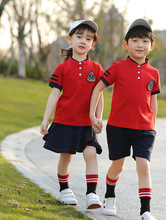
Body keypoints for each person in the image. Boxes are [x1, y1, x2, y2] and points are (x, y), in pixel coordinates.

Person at [90, 18, 160, 220]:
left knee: (144, 165)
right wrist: (93, 115)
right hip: (118, 127)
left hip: (144, 129)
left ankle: (145, 210)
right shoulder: (117, 67)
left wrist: (152, 126)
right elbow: (98, 88)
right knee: (118, 166)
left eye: (145, 41)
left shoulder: (154, 73)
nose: (140, 45)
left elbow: (153, 102)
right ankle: (109, 196)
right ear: (125, 44)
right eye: (135, 40)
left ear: (151, 46)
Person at [40, 19, 104, 209]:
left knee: (91, 153)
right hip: (65, 121)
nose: (83, 41)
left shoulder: (97, 69)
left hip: (86, 123)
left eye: (88, 38)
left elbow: (99, 96)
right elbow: (54, 95)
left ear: (92, 44)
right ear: (69, 39)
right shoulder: (62, 68)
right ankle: (64, 190)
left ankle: (92, 193)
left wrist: (98, 118)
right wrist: (46, 120)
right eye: (79, 36)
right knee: (66, 156)